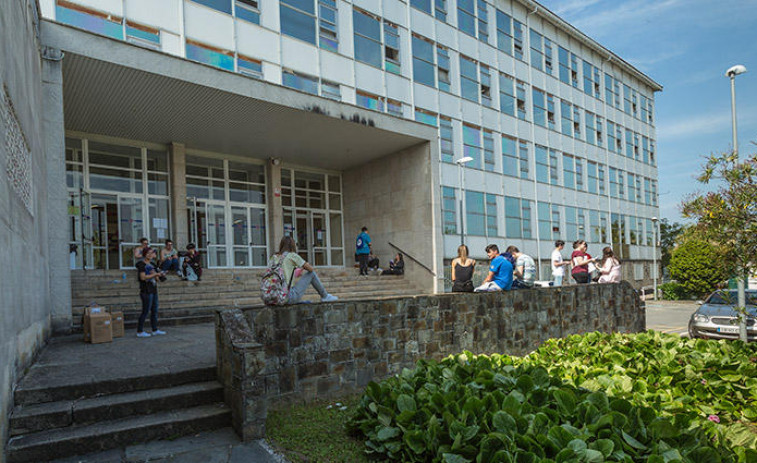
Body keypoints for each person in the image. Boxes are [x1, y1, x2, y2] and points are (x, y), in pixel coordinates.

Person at [272, 236, 338, 304]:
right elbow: (310, 269)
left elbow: (283, 275)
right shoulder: (292, 255)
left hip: (274, 296)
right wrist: (303, 266)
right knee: (311, 274)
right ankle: (325, 296)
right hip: (287, 297)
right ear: (292, 245)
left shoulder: (274, 257)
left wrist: (296, 272)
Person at [135, 248, 166, 338]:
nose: (150, 254)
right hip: (146, 290)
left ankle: (155, 329)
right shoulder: (141, 264)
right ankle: (140, 331)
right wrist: (155, 274)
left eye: (151, 253)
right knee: (145, 311)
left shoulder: (152, 264)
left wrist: (160, 275)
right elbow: (143, 277)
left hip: (153, 289)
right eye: (148, 253)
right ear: (144, 254)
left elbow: (157, 279)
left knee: (154, 311)